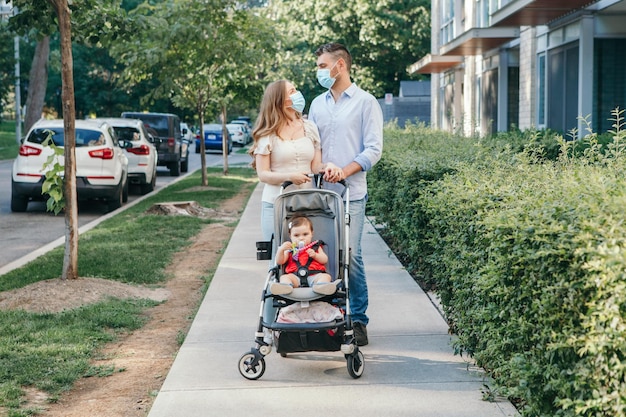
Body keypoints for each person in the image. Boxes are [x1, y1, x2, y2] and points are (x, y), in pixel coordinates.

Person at [308, 42, 384, 346]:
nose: (319, 71)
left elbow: (373, 150)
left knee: (352, 255)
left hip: (351, 194)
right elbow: (313, 146)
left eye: (323, 66)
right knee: (323, 257)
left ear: (340, 65)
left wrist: (344, 170)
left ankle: (359, 319)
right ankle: (328, 316)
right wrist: (321, 166)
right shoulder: (316, 104)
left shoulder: (366, 102)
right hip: (321, 195)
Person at [248, 79, 341, 241]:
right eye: (292, 91)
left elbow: (315, 166)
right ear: (280, 100)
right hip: (276, 203)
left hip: (306, 203)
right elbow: (263, 174)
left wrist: (328, 166)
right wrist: (290, 176)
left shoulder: (309, 127)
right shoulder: (267, 133)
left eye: (295, 89)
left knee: (306, 257)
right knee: (279, 258)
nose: (298, 94)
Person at [270, 214, 337, 296]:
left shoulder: (315, 247)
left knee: (326, 276)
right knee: (284, 278)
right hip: (295, 277)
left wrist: (315, 255)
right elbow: (280, 261)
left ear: (312, 234)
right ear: (290, 236)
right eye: (296, 235)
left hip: (314, 275)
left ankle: (321, 286)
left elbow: (324, 259)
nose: (301, 238)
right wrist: (281, 250)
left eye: (305, 234)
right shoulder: (290, 249)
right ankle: (286, 287)